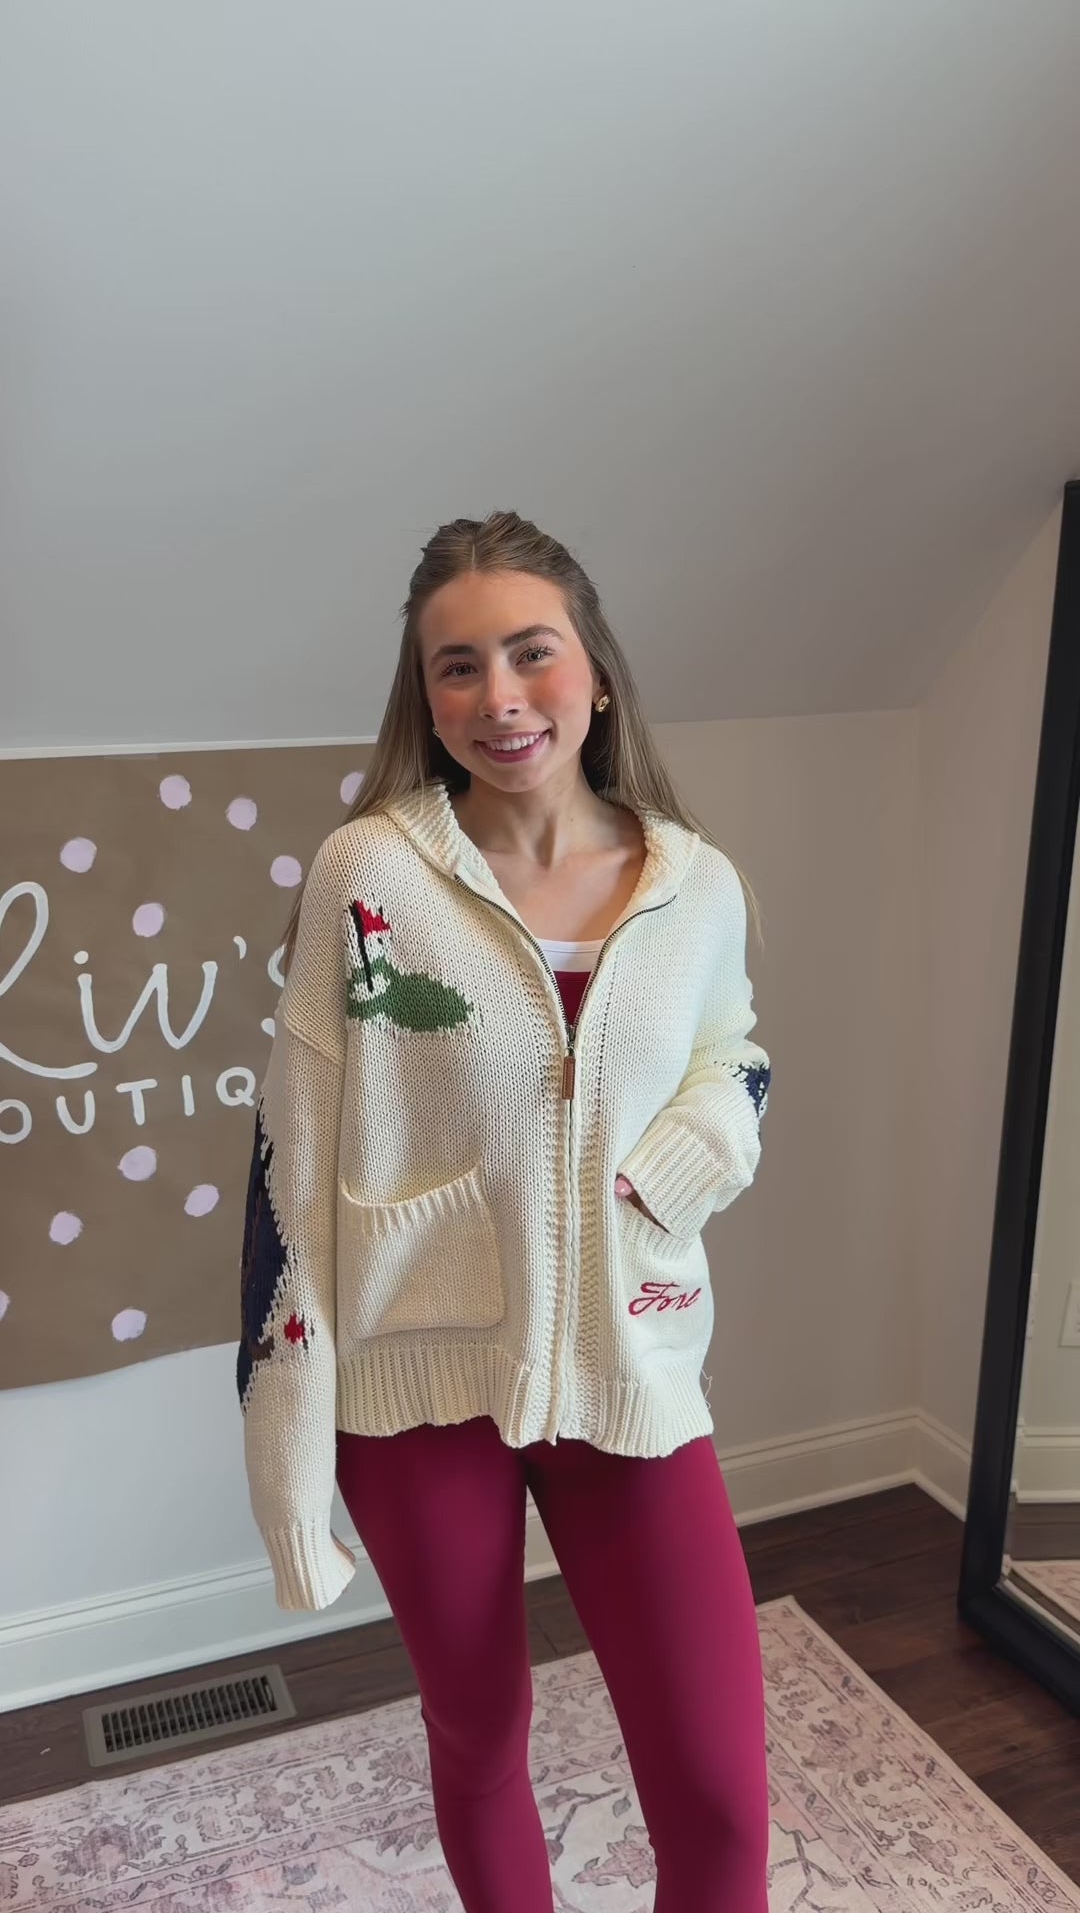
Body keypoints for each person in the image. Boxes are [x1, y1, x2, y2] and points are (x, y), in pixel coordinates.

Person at [238, 510, 772, 1912]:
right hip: (418, 1392)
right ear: (425, 695)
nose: (499, 698)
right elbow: (291, 1160)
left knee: (719, 1799)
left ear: (594, 667)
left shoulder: (695, 882)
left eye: (530, 654)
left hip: (629, 1370)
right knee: (479, 1742)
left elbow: (737, 1053)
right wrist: (287, 1455)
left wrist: (690, 1157)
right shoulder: (367, 877)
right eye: (456, 667)